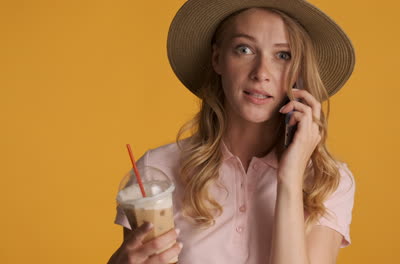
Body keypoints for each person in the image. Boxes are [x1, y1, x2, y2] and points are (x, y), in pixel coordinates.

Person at [108, 0, 356, 263]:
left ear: (299, 72)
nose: (261, 73)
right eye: (245, 49)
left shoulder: (327, 181)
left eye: (283, 55)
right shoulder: (157, 171)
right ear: (217, 59)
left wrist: (291, 178)